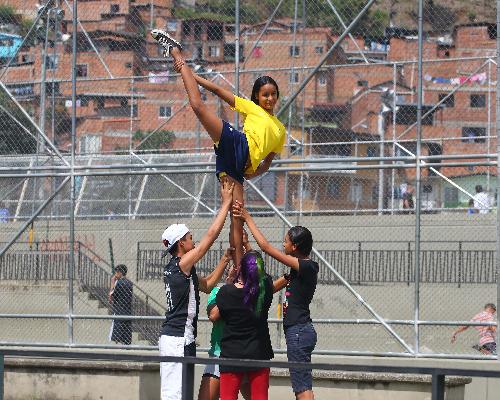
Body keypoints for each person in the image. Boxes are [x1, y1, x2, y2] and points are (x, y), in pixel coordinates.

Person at [150, 29, 286, 270]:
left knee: (237, 220)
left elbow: (267, 163)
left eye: (273, 94)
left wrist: (250, 174)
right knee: (198, 107)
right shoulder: (252, 108)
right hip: (237, 142)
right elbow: (218, 91)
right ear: (257, 96)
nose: (269, 98)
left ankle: (238, 269)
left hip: (240, 165)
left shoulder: (280, 130)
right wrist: (189, 73)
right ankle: (176, 53)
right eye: (264, 94)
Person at [233, 201, 318, 400]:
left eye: (286, 241)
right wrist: (246, 246)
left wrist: (247, 217)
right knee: (301, 383)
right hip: (297, 331)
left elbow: (266, 248)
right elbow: (268, 288)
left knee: (302, 386)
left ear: (295, 247)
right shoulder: (297, 272)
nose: (283, 244)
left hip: (299, 331)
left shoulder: (307, 267)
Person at [159, 179, 234, 400]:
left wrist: (224, 260)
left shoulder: (184, 270)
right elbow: (209, 238)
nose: (194, 241)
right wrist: (225, 203)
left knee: (183, 395)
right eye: (190, 238)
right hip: (177, 339)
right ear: (181, 244)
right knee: (175, 395)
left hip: (184, 339)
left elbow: (208, 284)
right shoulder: (181, 264)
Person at [210, 250, 275, 400]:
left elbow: (214, 313)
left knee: (228, 397)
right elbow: (264, 278)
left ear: (241, 269)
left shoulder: (226, 292)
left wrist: (230, 280)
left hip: (232, 355)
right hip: (259, 353)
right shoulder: (265, 290)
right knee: (259, 397)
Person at [197, 229, 253, 400]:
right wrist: (229, 287)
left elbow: (260, 273)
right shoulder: (218, 291)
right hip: (220, 353)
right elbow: (213, 315)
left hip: (246, 354)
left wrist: (246, 244)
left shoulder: (252, 292)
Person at [108, 264, 133, 345]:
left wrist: (112, 283)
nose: (115, 274)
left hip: (119, 311)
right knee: (126, 333)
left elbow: (111, 298)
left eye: (116, 272)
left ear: (120, 272)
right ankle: (126, 346)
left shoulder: (118, 282)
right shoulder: (129, 283)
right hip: (127, 311)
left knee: (117, 334)